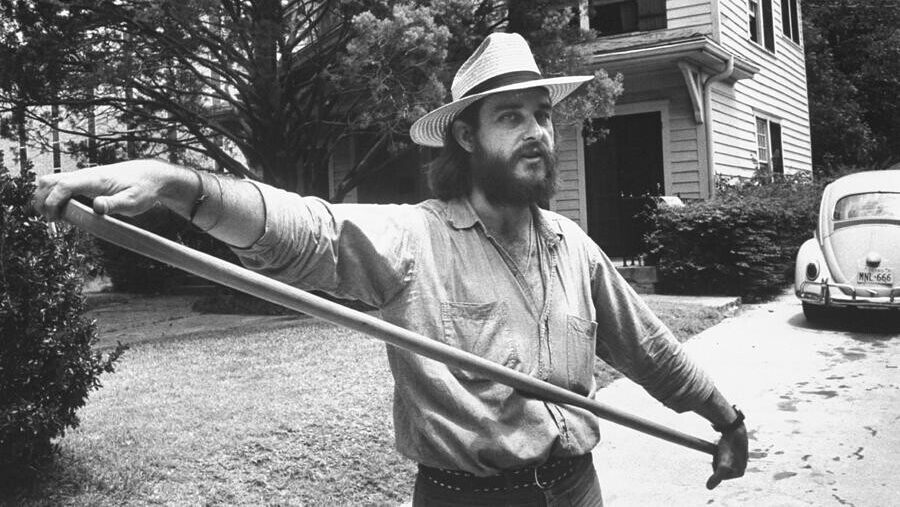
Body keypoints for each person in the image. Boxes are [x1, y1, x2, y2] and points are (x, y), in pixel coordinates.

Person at [33, 32, 748, 505]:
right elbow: (308, 232)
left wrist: (725, 415)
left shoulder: (574, 247)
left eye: (542, 114)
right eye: (512, 117)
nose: (536, 132)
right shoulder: (416, 240)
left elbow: (651, 349)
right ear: (466, 135)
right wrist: (180, 184)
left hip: (577, 487)